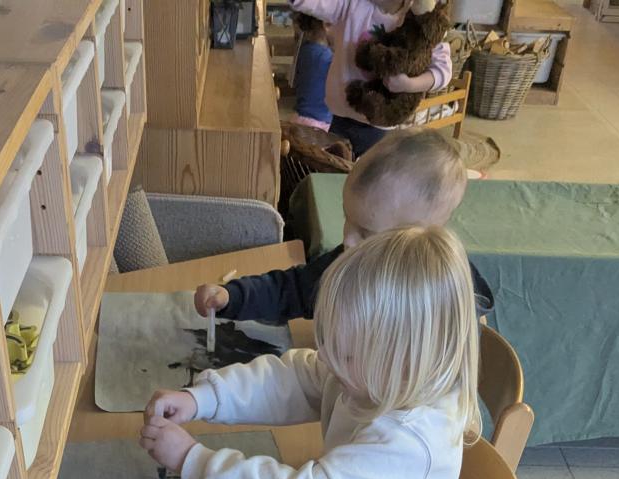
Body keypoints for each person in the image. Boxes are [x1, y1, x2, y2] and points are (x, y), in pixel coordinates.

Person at [140, 226, 478, 479]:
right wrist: (203, 399)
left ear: (404, 361)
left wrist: (194, 460)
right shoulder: (374, 375)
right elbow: (293, 378)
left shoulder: (410, 443)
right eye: (326, 342)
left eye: (345, 353)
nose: (327, 358)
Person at [192, 126, 493, 326]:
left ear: (426, 234)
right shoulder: (352, 259)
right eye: (348, 218)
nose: (348, 240)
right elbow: (293, 290)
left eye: (366, 233)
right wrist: (233, 297)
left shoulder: (446, 307)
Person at [285, 0, 452, 156]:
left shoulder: (421, 19)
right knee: (334, 169)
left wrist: (408, 85)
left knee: (368, 173)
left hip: (380, 124)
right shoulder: (352, 5)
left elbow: (443, 70)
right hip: (338, 116)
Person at [291, 15, 333, 132]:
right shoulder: (326, 57)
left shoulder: (306, 49)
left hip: (300, 117)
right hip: (317, 124)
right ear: (326, 25)